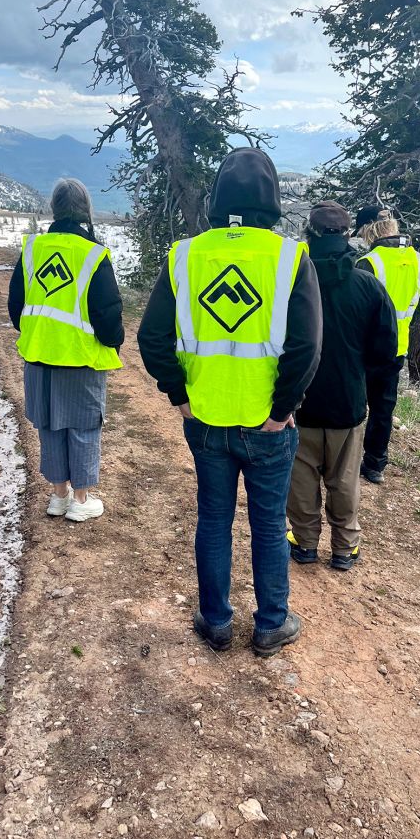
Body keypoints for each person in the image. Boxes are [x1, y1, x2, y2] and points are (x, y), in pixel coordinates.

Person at [137, 147, 323, 657]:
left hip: (206, 419)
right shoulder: (290, 257)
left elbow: (152, 338)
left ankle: (216, 621)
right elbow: (307, 346)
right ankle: (271, 625)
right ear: (273, 201)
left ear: (218, 200)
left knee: (214, 518)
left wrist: (180, 395)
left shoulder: (185, 255)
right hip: (268, 425)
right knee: (267, 523)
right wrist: (282, 410)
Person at [287, 201, 398, 570]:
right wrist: (365, 382)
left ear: (310, 234)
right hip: (348, 399)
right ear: (348, 235)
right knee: (345, 478)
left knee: (300, 476)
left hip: (299, 398)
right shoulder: (368, 285)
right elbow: (385, 349)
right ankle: (344, 548)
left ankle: (304, 543)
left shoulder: (290, 282)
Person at [8, 178, 124, 522]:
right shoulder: (92, 254)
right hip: (79, 358)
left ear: (54, 210)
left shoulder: (32, 250)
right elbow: (107, 313)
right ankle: (80, 499)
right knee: (84, 427)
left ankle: (57, 496)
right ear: (86, 210)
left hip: (39, 355)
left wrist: (39, 332)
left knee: (50, 426)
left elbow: (16, 305)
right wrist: (114, 341)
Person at [354, 205, 420, 485]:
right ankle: (375, 464)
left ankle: (346, 459)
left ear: (368, 230)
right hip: (397, 347)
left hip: (365, 348)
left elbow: (358, 310)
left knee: (355, 405)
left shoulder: (370, 263)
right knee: (383, 408)